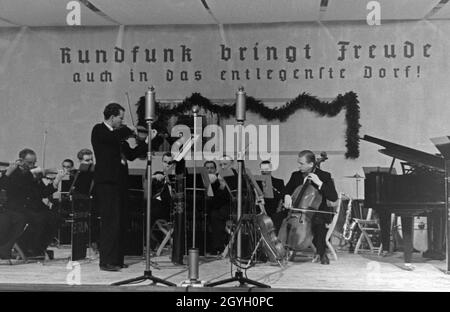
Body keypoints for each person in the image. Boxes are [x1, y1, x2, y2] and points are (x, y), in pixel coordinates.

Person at [91, 103, 147, 272]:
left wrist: (144, 141)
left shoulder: (118, 138)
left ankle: (117, 259)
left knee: (121, 221)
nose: (122, 121)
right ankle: (106, 261)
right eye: (120, 118)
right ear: (112, 117)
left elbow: (130, 155)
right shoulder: (99, 130)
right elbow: (111, 138)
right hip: (107, 183)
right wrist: (129, 130)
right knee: (110, 222)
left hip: (121, 183)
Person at [1, 149, 65, 258]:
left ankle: (40, 247)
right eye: (29, 163)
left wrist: (56, 181)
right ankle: (27, 247)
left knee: (56, 218)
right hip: (19, 207)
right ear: (21, 161)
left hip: (33, 206)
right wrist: (31, 173)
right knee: (40, 219)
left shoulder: (34, 174)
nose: (32, 165)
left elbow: (42, 192)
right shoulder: (14, 173)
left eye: (34, 163)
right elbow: (12, 185)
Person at [284, 150, 338, 265]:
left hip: (318, 212)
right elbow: (286, 189)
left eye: (301, 163)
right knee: (278, 218)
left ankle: (321, 253)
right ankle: (280, 250)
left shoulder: (324, 176)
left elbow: (333, 197)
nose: (299, 166)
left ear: (311, 164)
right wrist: (287, 195)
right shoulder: (296, 175)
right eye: (298, 163)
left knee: (319, 222)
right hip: (297, 213)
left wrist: (320, 183)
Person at [259, 160, 286, 233]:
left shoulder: (278, 182)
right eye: (262, 169)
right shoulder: (257, 182)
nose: (264, 171)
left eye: (266, 169)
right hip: (260, 210)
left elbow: (282, 197)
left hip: (274, 211)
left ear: (271, 169)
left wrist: (278, 210)